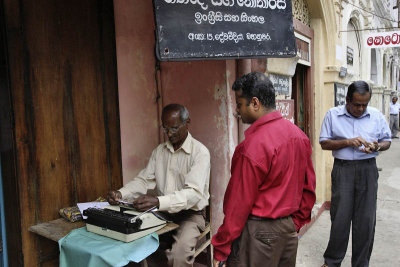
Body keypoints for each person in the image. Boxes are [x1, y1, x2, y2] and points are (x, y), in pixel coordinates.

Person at [211, 72, 316, 267]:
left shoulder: (252, 147)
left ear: (255, 103)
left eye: (240, 104)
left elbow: (238, 205)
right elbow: (308, 189)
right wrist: (293, 224)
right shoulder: (299, 136)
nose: (237, 111)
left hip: (258, 233)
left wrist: (221, 247)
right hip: (287, 231)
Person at [107, 104, 210, 267]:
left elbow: (193, 194)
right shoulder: (159, 152)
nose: (169, 134)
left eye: (174, 128)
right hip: (163, 212)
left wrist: (158, 201)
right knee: (132, 237)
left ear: (187, 122)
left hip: (190, 214)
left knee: (179, 257)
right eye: (165, 128)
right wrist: (121, 193)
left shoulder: (200, 153)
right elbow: (143, 180)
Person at [319, 81, 391, 267]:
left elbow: (387, 141)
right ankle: (332, 261)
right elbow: (324, 143)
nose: (360, 108)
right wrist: (347, 142)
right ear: (347, 100)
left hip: (368, 169)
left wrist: (377, 146)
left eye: (364, 104)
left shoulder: (375, 116)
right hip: (343, 170)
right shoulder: (333, 115)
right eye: (356, 104)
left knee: (366, 220)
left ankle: (360, 263)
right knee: (340, 218)